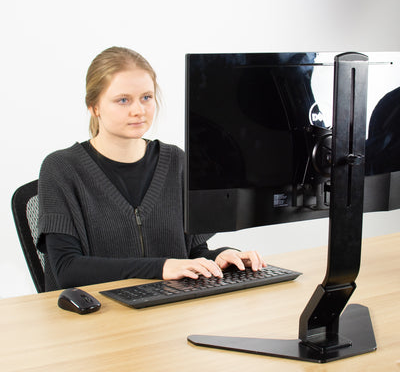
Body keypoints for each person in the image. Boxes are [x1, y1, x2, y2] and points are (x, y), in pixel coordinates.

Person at [37, 46, 266, 291]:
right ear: (94, 106)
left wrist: (218, 257)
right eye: (123, 100)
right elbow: (67, 270)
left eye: (146, 97)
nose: (138, 110)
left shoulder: (176, 161)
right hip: (97, 317)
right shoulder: (61, 169)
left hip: (165, 311)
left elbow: (192, 252)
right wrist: (160, 267)